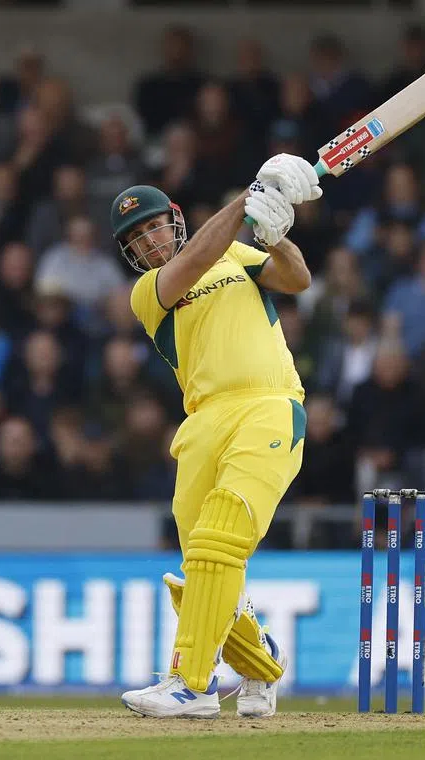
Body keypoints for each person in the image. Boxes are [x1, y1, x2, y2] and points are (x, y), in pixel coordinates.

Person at [112, 153, 320, 719]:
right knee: (203, 566)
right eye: (137, 238)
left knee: (221, 537)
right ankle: (261, 662)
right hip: (203, 422)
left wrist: (273, 235)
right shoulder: (150, 291)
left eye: (155, 226)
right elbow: (198, 257)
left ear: (175, 220)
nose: (150, 241)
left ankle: (192, 685)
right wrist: (250, 199)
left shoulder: (237, 254)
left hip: (268, 406)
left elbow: (298, 279)